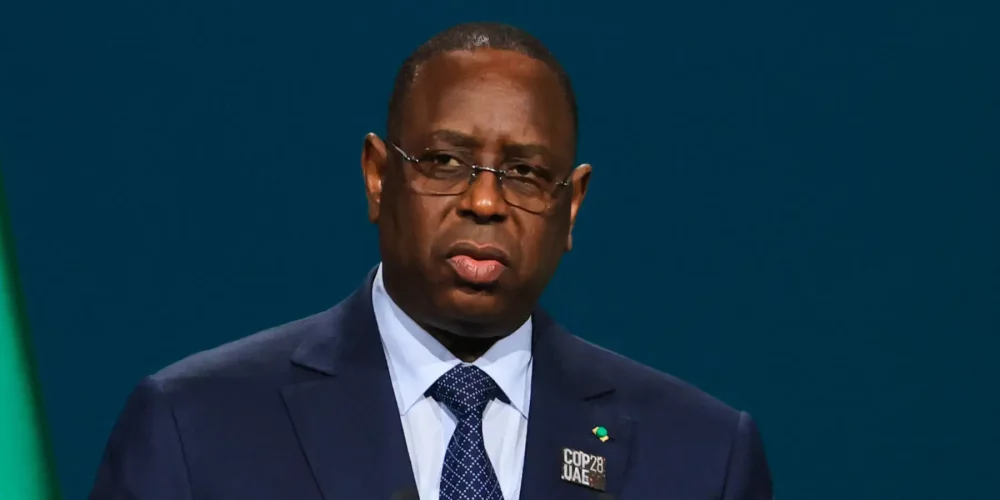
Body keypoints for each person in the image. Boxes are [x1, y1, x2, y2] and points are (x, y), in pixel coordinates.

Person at [90, 22, 772, 500]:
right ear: (377, 176)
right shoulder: (195, 427)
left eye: (526, 173)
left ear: (571, 206)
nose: (485, 202)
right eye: (445, 161)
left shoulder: (702, 457)